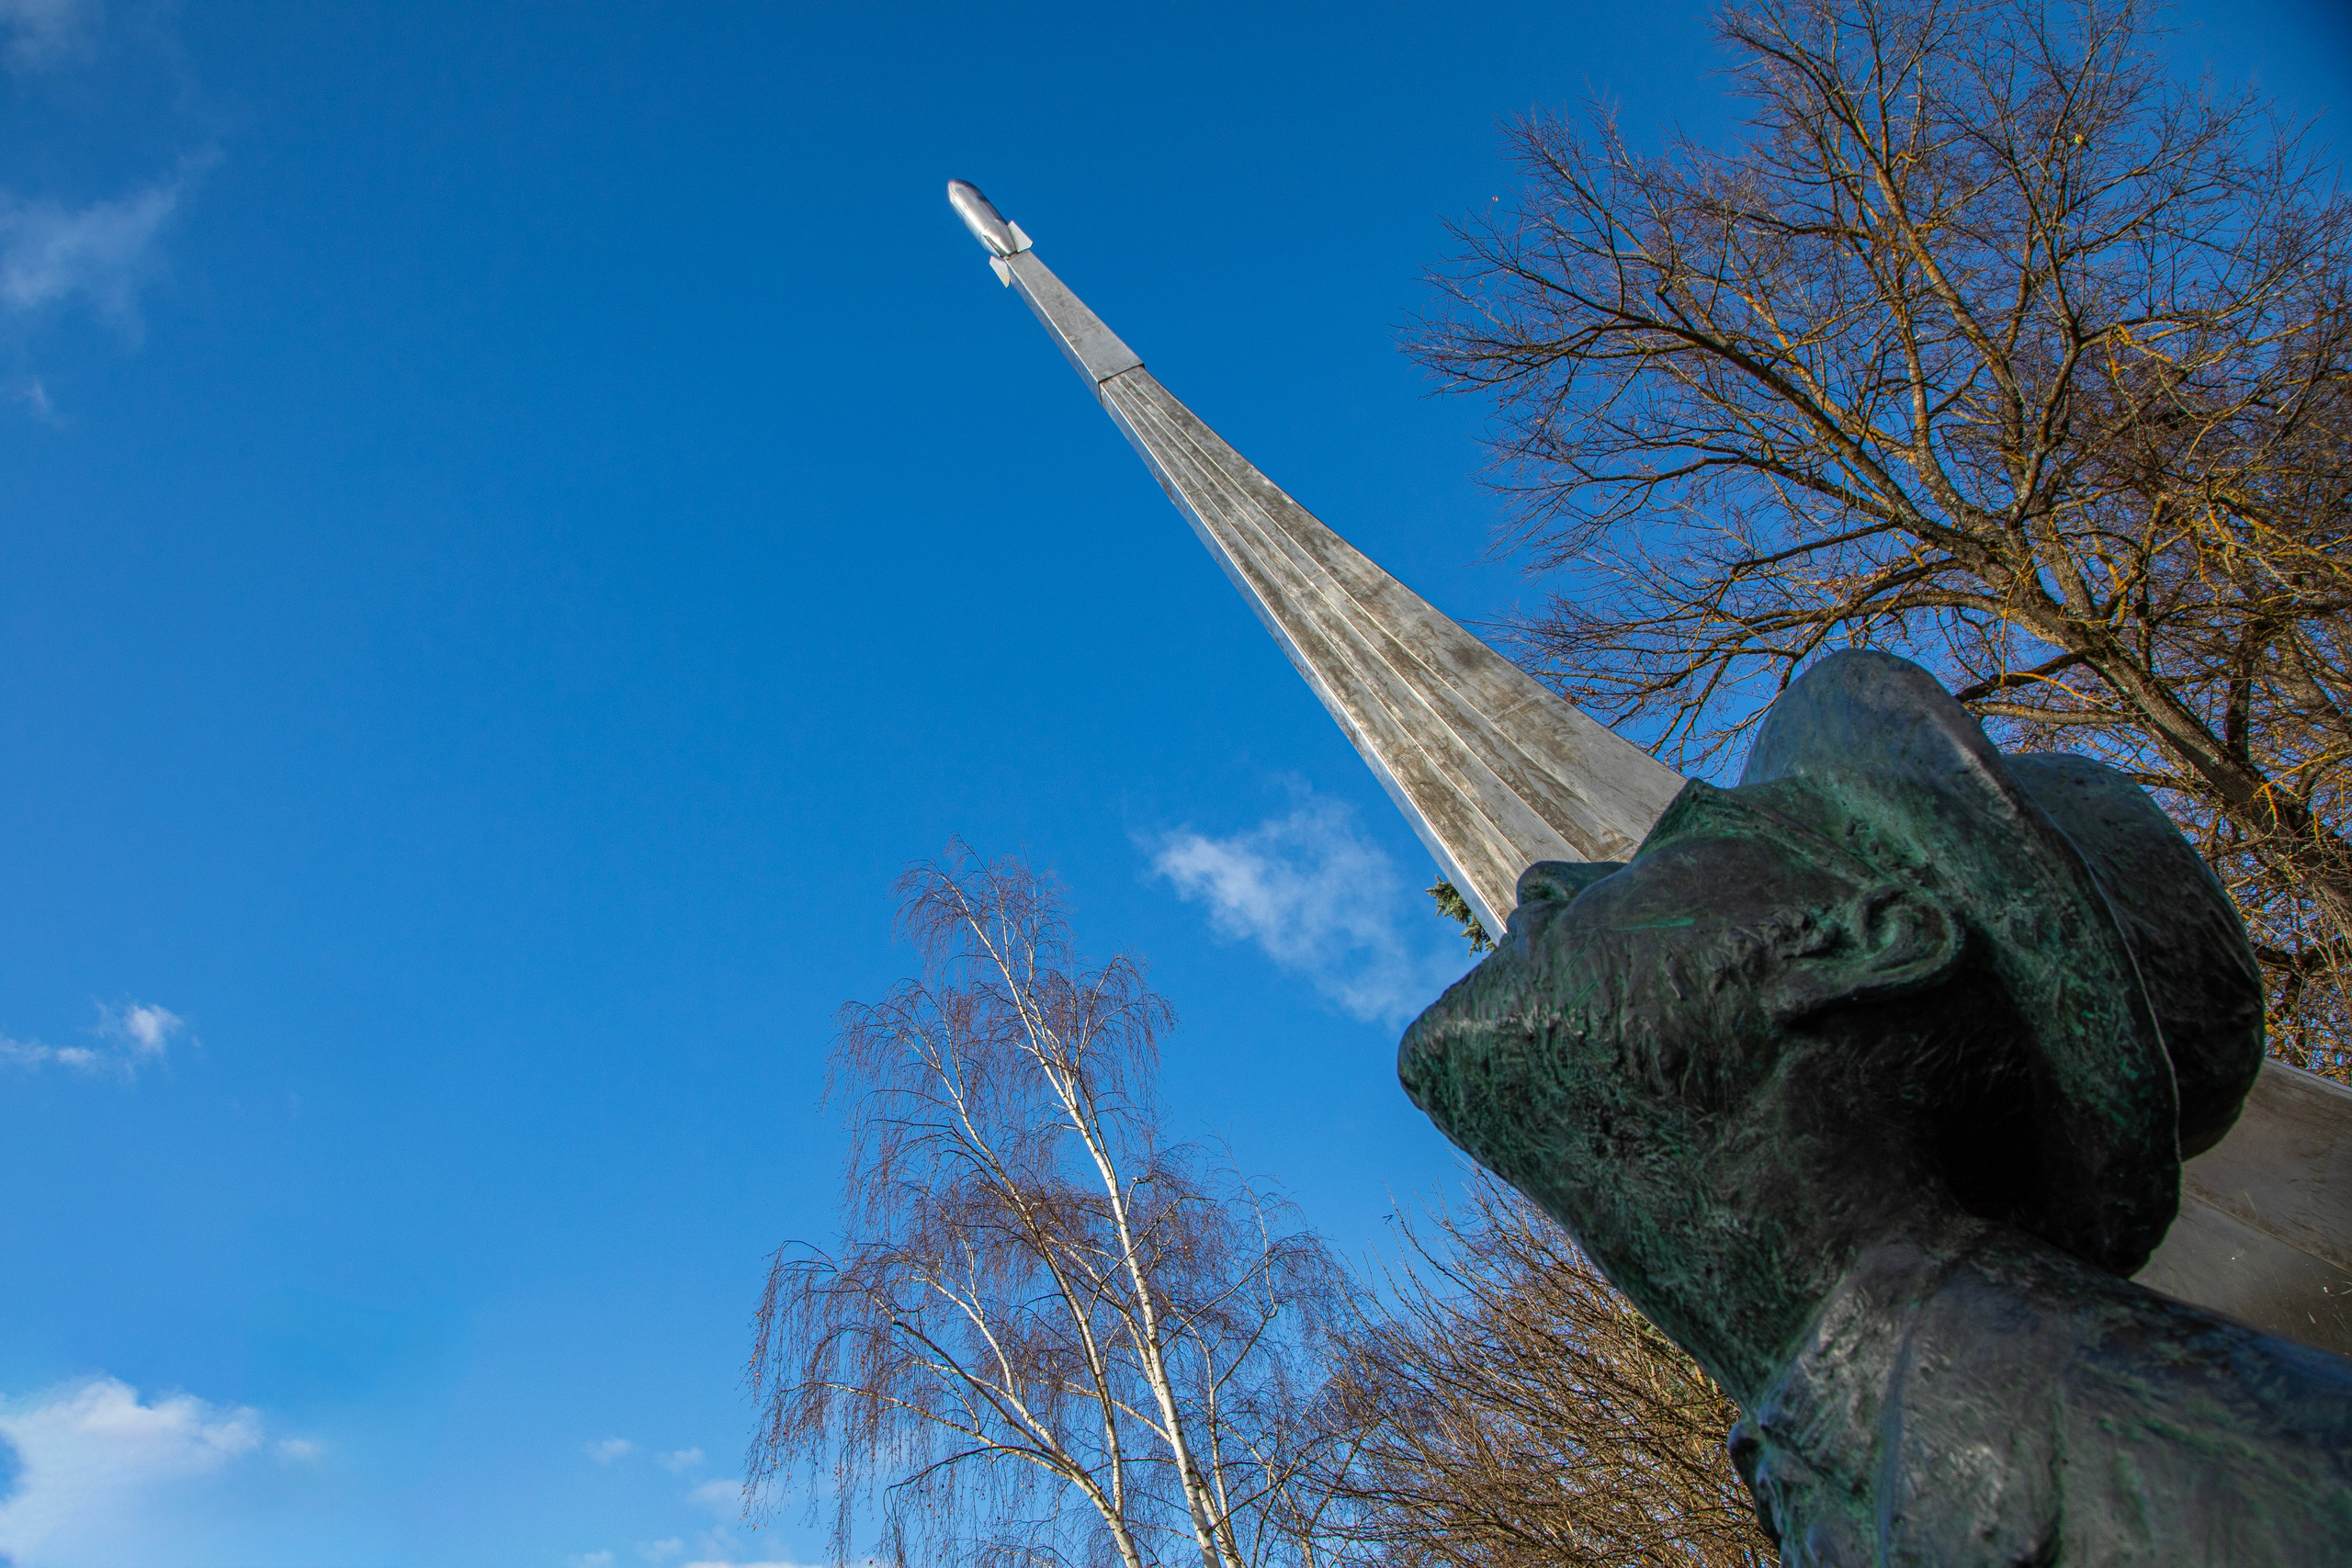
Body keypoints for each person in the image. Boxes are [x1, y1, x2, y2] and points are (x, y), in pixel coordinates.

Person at [1399, 650, 2352, 1563]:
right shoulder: (1850, 1475)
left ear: (1873, 940)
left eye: (1685, 848)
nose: (1546, 881)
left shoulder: (2239, 1477)